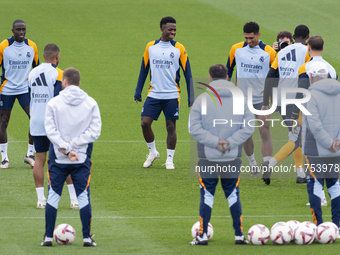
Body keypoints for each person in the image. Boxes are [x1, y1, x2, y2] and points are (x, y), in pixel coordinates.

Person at [188, 64, 254, 245]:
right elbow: (248, 127)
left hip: (208, 157)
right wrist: (230, 142)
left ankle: (202, 236)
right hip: (232, 157)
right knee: (233, 194)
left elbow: (193, 128)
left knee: (207, 195)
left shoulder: (202, 99)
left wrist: (215, 142)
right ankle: (239, 235)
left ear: (210, 78)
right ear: (227, 78)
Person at [41, 67, 101, 247]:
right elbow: (95, 132)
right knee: (83, 197)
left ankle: (48, 238)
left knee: (53, 196)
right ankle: (86, 238)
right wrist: (76, 146)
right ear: (79, 83)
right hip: (81, 159)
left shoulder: (53, 103)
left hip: (58, 159)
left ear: (64, 82)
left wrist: (67, 149)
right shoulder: (91, 103)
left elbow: (50, 131)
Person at [134, 16, 194, 170]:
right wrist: (138, 91)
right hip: (153, 93)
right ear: (162, 29)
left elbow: (188, 73)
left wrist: (191, 95)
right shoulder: (150, 47)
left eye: (174, 29)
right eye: (170, 29)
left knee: (170, 126)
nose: (173, 32)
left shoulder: (179, 48)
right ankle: (153, 152)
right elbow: (144, 69)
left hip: (172, 94)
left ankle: (169, 160)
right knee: (144, 123)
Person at [28, 44, 79, 210]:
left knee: (39, 160)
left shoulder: (32, 72)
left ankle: (41, 200)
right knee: (64, 160)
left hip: (36, 121)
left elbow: (31, 96)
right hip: (54, 124)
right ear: (57, 57)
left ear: (43, 55)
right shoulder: (59, 74)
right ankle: (73, 200)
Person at [261, 25, 310, 185]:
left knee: (295, 135)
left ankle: (301, 174)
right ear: (307, 37)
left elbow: (270, 75)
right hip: (297, 100)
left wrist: (265, 102)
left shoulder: (281, 52)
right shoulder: (307, 51)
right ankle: (270, 164)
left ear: (294, 37)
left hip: (281, 100)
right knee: (296, 138)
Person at [226, 21, 275, 174]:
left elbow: (275, 76)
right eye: (246, 38)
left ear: (258, 35)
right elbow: (229, 69)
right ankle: (253, 164)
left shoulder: (269, 52)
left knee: (264, 131)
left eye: (251, 38)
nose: (249, 41)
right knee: (246, 134)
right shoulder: (236, 49)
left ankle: (266, 166)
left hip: (262, 99)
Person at [301, 61, 340, 229]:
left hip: (315, 148)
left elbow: (314, 125)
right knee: (335, 184)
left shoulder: (311, 95)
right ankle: (337, 227)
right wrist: (336, 142)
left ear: (311, 76)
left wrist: (328, 143)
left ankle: (320, 227)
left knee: (316, 183)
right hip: (337, 149)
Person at [0, 19, 39, 169]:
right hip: (6, 89)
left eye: (23, 29)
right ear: (12, 31)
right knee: (3, 121)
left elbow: (37, 68)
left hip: (25, 88)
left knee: (35, 119)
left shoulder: (32, 46)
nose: (21, 32)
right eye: (18, 30)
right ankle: (4, 159)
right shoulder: (4, 46)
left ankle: (30, 155)